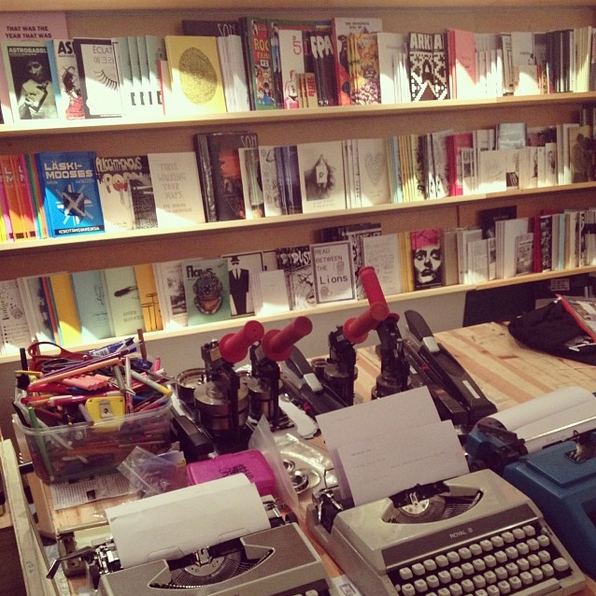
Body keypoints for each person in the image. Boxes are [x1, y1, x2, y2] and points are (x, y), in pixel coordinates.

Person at [17, 54, 58, 120]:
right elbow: (18, 115)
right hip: (38, 124)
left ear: (44, 65)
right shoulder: (27, 85)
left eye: (36, 66)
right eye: (29, 68)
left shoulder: (55, 82)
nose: (33, 72)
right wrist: (24, 105)